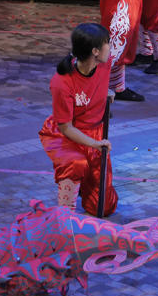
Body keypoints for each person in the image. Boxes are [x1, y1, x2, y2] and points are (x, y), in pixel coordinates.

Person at [38, 23, 116, 216]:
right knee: (76, 164)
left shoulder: (106, 63)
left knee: (104, 207)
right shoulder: (62, 82)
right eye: (107, 43)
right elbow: (65, 127)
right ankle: (65, 215)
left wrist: (106, 91)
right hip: (67, 136)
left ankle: (83, 184)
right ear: (95, 51)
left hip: (95, 132)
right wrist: (95, 144)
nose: (110, 47)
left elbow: (95, 84)